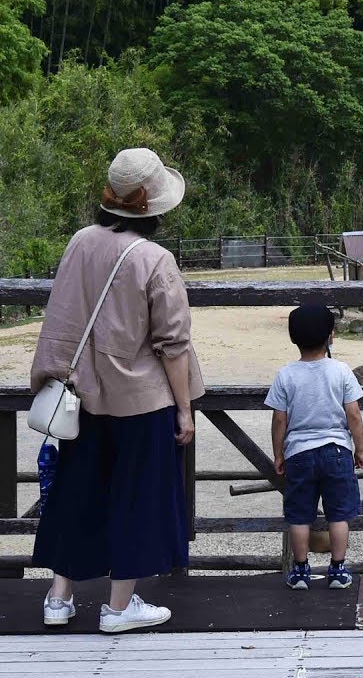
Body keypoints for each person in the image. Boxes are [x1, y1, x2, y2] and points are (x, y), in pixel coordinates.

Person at [31, 148, 205, 632]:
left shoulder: (80, 241)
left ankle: (59, 599)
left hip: (79, 396)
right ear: (153, 206)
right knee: (138, 496)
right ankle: (119, 606)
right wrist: (185, 412)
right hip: (141, 400)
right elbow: (172, 343)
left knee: (76, 493)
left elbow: (62, 316)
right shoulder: (155, 258)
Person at [267, 303, 363, 590]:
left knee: (299, 516)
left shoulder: (286, 374)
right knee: (339, 514)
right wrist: (359, 449)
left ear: (292, 338)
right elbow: (354, 415)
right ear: (331, 336)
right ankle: (337, 570)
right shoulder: (341, 371)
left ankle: (300, 572)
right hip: (337, 451)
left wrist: (278, 453)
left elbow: (279, 420)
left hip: (298, 453)